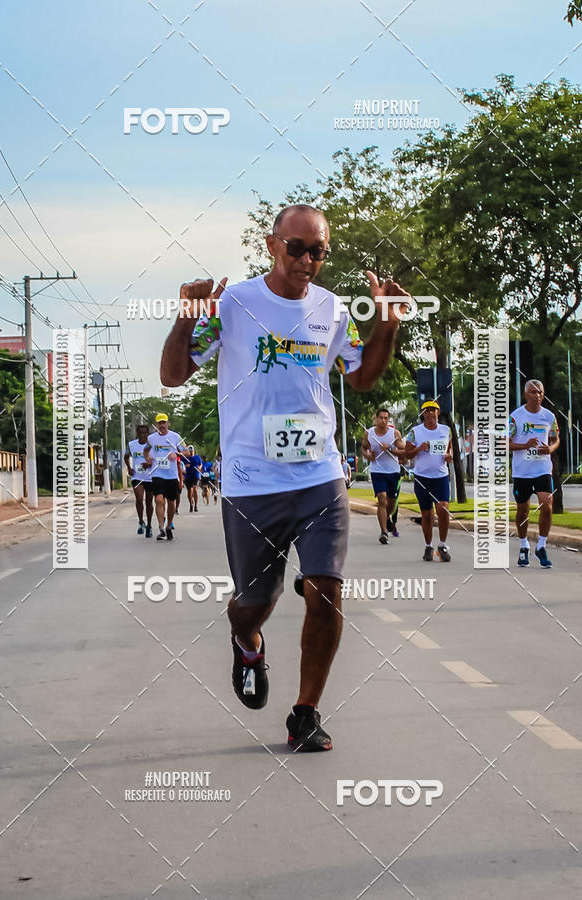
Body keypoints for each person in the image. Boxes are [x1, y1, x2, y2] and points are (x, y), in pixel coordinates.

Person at [160, 203, 408, 751]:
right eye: (296, 248)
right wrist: (186, 316)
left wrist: (386, 325)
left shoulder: (333, 308)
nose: (307, 260)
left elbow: (362, 377)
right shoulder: (236, 304)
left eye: (318, 251)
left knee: (327, 590)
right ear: (272, 246)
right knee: (255, 604)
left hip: (320, 474)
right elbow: (174, 376)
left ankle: (305, 712)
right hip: (253, 482)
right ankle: (247, 639)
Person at [509, 379, 560, 568]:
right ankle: (524, 546)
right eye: (533, 392)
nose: (537, 395)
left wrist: (551, 448)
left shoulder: (549, 417)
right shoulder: (515, 417)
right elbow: (505, 443)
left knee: (547, 505)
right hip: (522, 472)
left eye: (540, 392)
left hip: (542, 469)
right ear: (525, 395)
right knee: (523, 511)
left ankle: (541, 546)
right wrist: (524, 445)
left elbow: (556, 438)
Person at [404, 400, 453, 561]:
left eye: (433, 410)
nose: (430, 413)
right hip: (422, 477)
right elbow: (407, 454)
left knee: (443, 509)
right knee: (427, 515)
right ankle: (428, 546)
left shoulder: (446, 430)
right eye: (427, 410)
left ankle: (442, 545)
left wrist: (449, 455)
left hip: (440, 476)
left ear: (438, 413)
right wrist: (420, 448)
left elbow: (449, 448)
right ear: (423, 414)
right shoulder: (415, 432)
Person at [362, 407, 404, 544]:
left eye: (386, 418)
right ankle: (384, 532)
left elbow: (403, 450)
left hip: (393, 471)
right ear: (376, 418)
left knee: (391, 503)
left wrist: (390, 449)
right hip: (377, 471)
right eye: (381, 418)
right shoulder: (369, 433)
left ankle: (387, 517)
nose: (383, 421)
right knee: (382, 499)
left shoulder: (394, 434)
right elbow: (364, 448)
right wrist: (368, 455)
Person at [143, 413, 184, 541]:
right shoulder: (152, 438)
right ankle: (161, 527)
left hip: (171, 474)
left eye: (164, 422)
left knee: (171, 502)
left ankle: (168, 525)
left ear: (168, 423)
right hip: (157, 472)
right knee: (159, 500)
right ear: (156, 425)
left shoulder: (175, 437)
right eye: (159, 423)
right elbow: (145, 450)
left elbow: (187, 451)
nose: (162, 425)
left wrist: (176, 454)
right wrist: (148, 459)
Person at [124, 423, 154, 539]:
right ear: (137, 434)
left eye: (145, 433)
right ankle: (141, 521)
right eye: (140, 433)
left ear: (148, 434)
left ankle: (150, 526)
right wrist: (129, 467)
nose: (142, 435)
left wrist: (150, 464)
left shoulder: (151, 445)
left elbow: (156, 458)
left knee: (149, 502)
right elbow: (126, 456)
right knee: (139, 499)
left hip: (150, 477)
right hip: (137, 476)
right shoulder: (132, 445)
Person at [183, 445, 202, 512]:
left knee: (195, 489)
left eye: (191, 450)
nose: (190, 452)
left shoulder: (197, 457)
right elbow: (181, 464)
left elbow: (200, 464)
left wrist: (199, 467)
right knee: (189, 491)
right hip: (188, 475)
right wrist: (185, 466)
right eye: (189, 450)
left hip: (196, 475)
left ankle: (196, 505)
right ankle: (191, 504)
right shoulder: (185, 458)